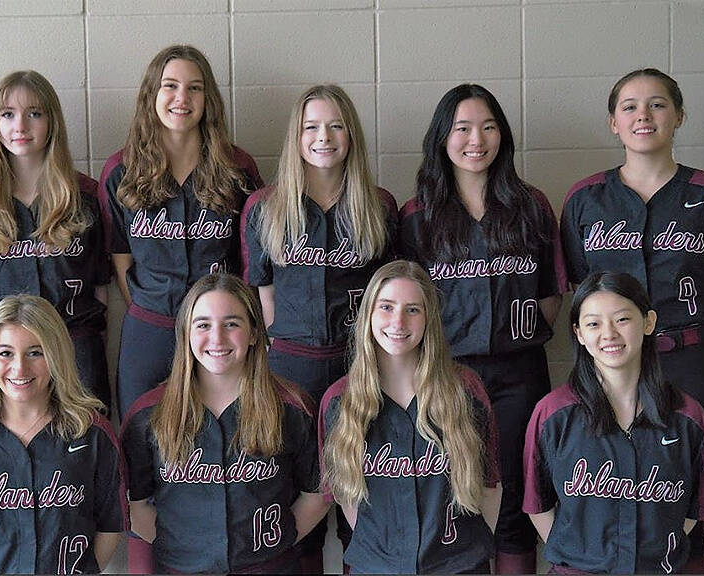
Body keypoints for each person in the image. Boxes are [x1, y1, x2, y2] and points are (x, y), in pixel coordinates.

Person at [560, 68, 704, 571]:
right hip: (608, 373)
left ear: (680, 116)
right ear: (613, 123)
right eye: (629, 106)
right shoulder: (585, 200)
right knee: (607, 495)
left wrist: (683, 344)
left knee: (688, 507)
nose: (643, 115)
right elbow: (579, 294)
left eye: (658, 104)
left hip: (691, 364)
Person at [399, 83, 565, 573]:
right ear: (442, 138)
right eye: (463, 128)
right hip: (442, 377)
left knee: (516, 499)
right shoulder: (417, 216)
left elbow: (551, 295)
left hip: (519, 376)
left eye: (488, 127)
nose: (477, 139)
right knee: (450, 499)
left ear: (503, 136)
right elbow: (399, 307)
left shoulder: (531, 205)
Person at [241, 84, 397, 569]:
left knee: (363, 500)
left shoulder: (379, 206)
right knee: (299, 497)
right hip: (291, 368)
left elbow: (392, 298)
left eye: (335, 126)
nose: (323, 137)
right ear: (296, 135)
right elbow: (262, 298)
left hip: (362, 371)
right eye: (311, 126)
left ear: (350, 135)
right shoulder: (265, 209)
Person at [120, 273, 328, 574]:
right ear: (186, 333)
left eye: (232, 324)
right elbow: (135, 504)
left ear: (255, 332)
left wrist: (274, 541)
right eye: (203, 325)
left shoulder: (293, 408)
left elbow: (316, 494)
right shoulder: (148, 413)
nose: (217, 339)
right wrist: (186, 548)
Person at [102, 44, 263, 420]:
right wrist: (156, 309)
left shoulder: (236, 168)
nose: (181, 98)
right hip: (151, 328)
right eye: (170, 86)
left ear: (208, 99)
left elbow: (252, 260)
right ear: (151, 95)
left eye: (194, 88)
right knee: (140, 430)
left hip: (221, 332)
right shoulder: (120, 172)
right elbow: (121, 259)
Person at [523, 271, 704, 574]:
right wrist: (582, 558)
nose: (609, 334)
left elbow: (691, 511)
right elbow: (538, 504)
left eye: (622, 319)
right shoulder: (553, 415)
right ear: (578, 333)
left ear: (648, 322)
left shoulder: (687, 417)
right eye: (593, 324)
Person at [321, 260, 502, 574]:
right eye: (386, 307)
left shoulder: (464, 389)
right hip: (377, 566)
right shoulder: (340, 400)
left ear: (429, 317)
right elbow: (348, 498)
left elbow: (489, 486)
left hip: (457, 564)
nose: (398, 321)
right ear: (368, 315)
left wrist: (460, 554)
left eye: (413, 309)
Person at [0, 294, 125, 574]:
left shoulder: (92, 435)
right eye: (5, 353)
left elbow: (110, 523)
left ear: (56, 355)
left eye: (35, 352)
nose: (19, 368)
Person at [0, 70, 113, 410]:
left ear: (52, 121)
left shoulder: (85, 196)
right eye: (8, 114)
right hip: (10, 361)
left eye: (35, 114)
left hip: (76, 349)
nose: (21, 126)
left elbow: (102, 286)